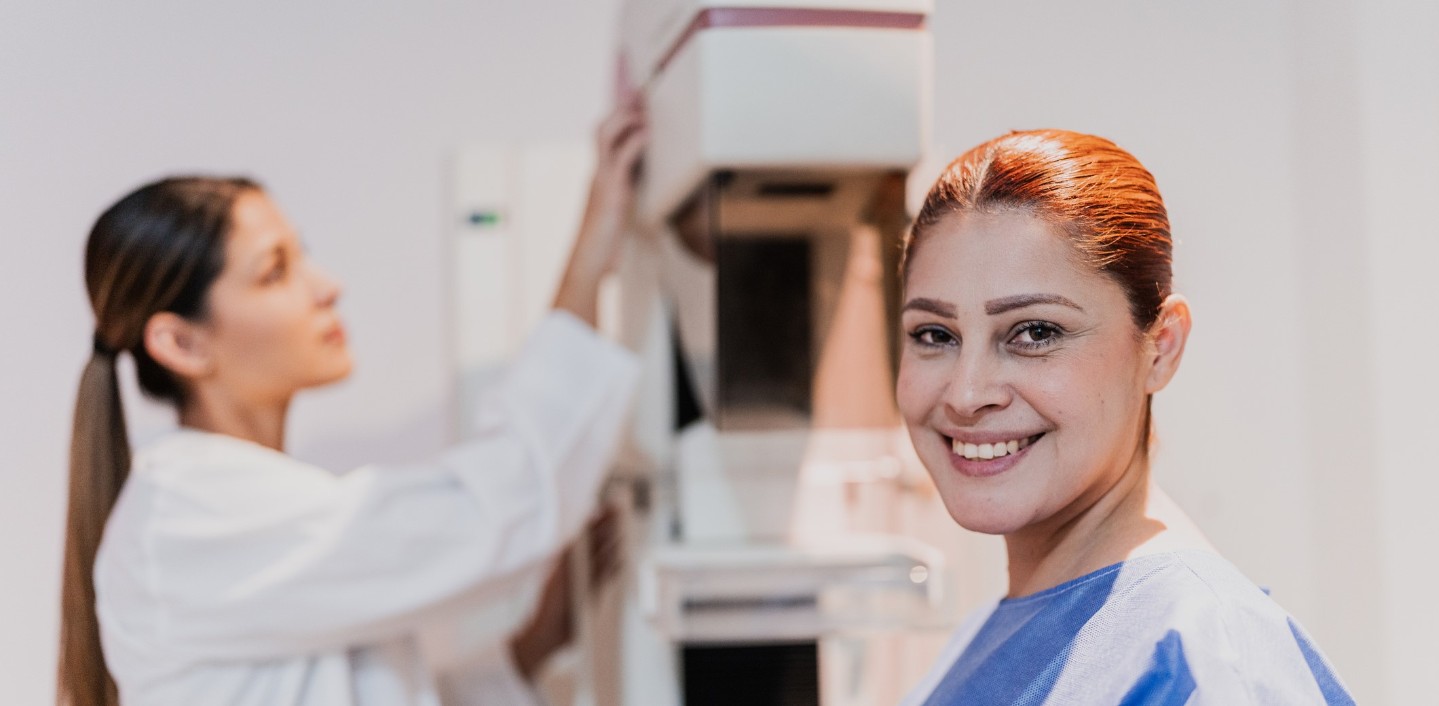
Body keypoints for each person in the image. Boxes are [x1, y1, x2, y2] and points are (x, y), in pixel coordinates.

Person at [57, 101, 648, 706]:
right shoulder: (192, 517)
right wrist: (592, 250)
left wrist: (534, 646)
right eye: (275, 272)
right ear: (182, 343)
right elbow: (495, 511)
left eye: (303, 254)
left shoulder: (242, 507)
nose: (326, 285)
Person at [895, 130, 1355, 705]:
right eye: (934, 335)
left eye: (1035, 332)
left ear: (1160, 347)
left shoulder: (1204, 654)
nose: (966, 394)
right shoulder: (984, 641)